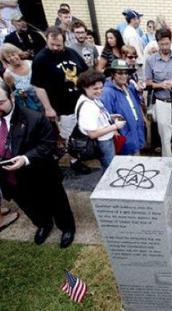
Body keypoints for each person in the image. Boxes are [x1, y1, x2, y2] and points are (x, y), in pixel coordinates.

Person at [0, 85, 76, 248]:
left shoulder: (34, 118)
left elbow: (47, 145)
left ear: (12, 98)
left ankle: (67, 228)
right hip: (11, 180)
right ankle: (44, 225)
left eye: (0, 102)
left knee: (57, 203)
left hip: (41, 174)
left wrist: (26, 159)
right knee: (30, 206)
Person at [31, 26, 89, 173]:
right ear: (47, 39)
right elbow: (39, 87)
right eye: (52, 45)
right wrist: (48, 108)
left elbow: (85, 73)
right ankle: (75, 160)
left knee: (83, 131)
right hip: (62, 106)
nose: (56, 48)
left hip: (80, 102)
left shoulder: (72, 53)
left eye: (59, 45)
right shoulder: (41, 59)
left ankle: (81, 153)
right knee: (70, 135)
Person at [145, 28, 172, 170]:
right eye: (162, 44)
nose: (165, 47)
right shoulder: (150, 60)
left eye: (167, 43)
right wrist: (161, 85)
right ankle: (168, 160)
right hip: (161, 101)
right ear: (157, 43)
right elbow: (147, 82)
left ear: (171, 41)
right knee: (164, 133)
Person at [75, 69, 125, 170]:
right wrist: (115, 126)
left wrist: (110, 116)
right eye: (95, 89)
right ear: (84, 87)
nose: (99, 91)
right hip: (103, 142)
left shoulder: (89, 98)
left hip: (104, 141)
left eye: (101, 88)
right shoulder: (88, 107)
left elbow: (97, 116)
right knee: (110, 169)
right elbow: (92, 134)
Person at [101, 59, 145, 155]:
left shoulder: (129, 88)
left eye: (126, 73)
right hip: (123, 134)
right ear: (113, 74)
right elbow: (107, 116)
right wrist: (115, 132)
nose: (124, 76)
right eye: (120, 73)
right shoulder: (107, 92)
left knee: (137, 159)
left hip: (135, 132)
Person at [1, 43, 42, 112]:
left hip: (44, 99)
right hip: (31, 105)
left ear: (17, 53)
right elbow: (13, 91)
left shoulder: (31, 63)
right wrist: (22, 93)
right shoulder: (8, 74)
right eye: (8, 57)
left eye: (13, 54)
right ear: (5, 60)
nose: (12, 58)